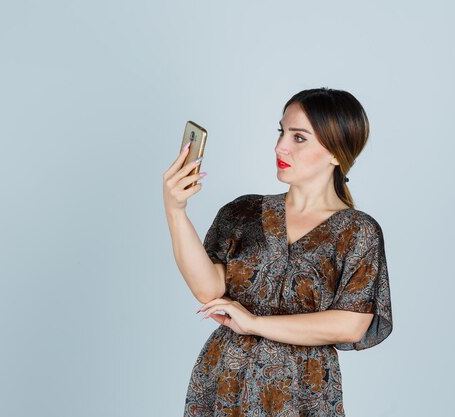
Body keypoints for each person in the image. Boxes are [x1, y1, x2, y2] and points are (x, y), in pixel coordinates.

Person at [162, 87, 393, 417]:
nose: (280, 146)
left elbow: (350, 325)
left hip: (302, 389)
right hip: (227, 377)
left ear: (335, 153)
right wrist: (175, 210)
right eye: (281, 132)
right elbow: (208, 289)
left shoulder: (357, 231)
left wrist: (254, 323)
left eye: (299, 138)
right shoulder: (243, 211)